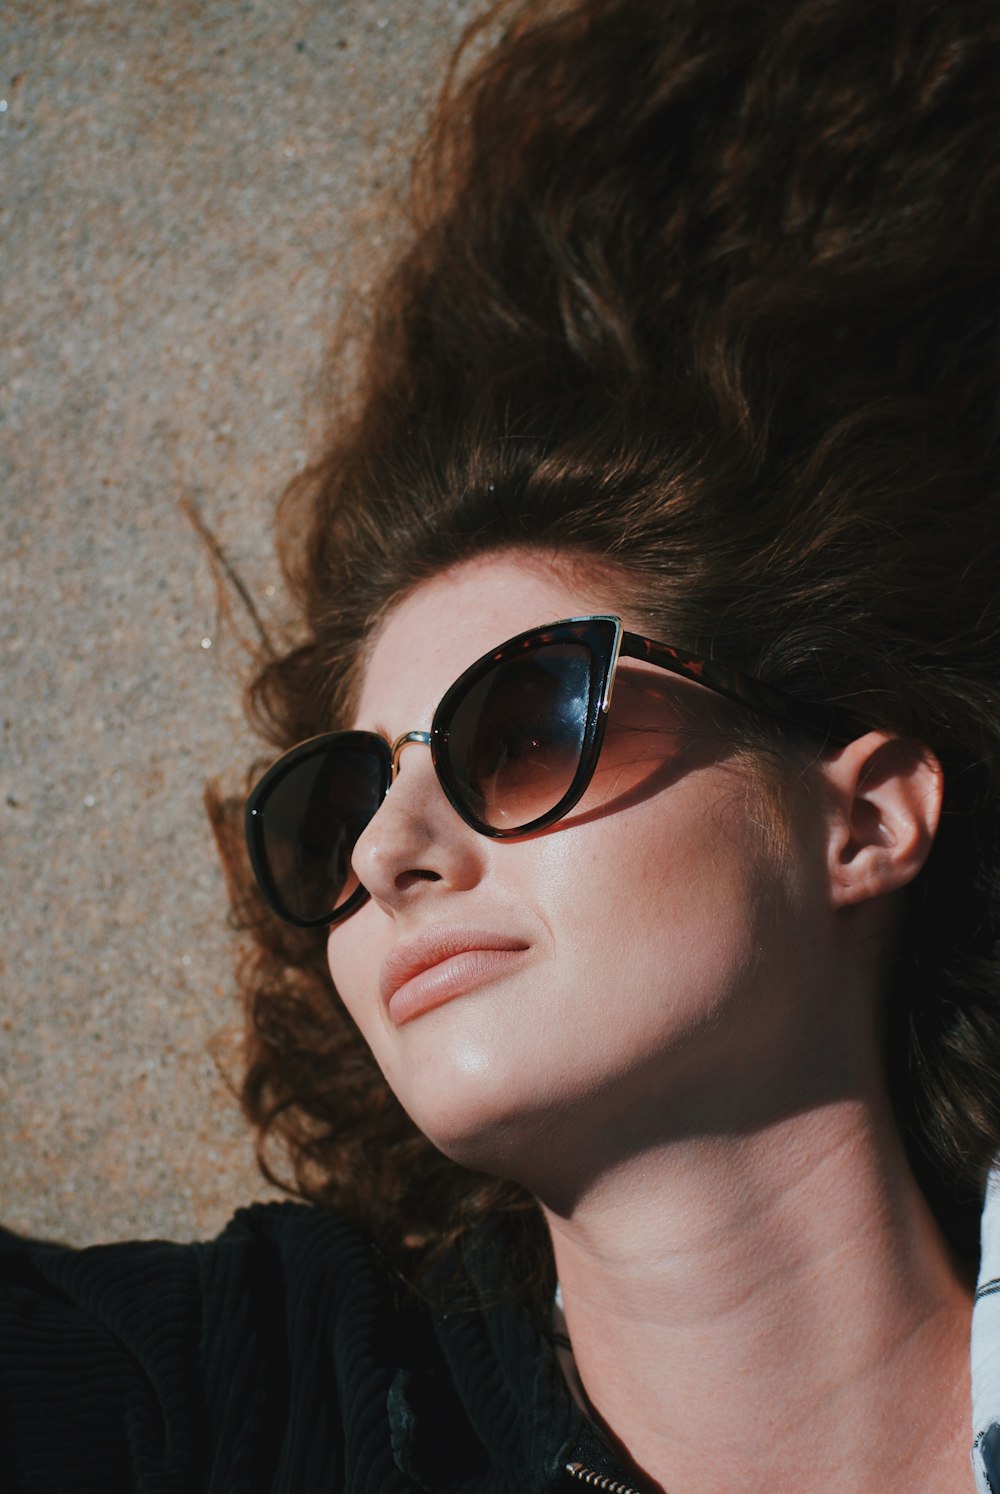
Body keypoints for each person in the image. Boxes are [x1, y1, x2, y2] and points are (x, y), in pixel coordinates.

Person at [3, 0, 1000, 1489]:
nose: (388, 853)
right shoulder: (245, 1404)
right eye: (339, 802)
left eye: (525, 727)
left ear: (863, 819)